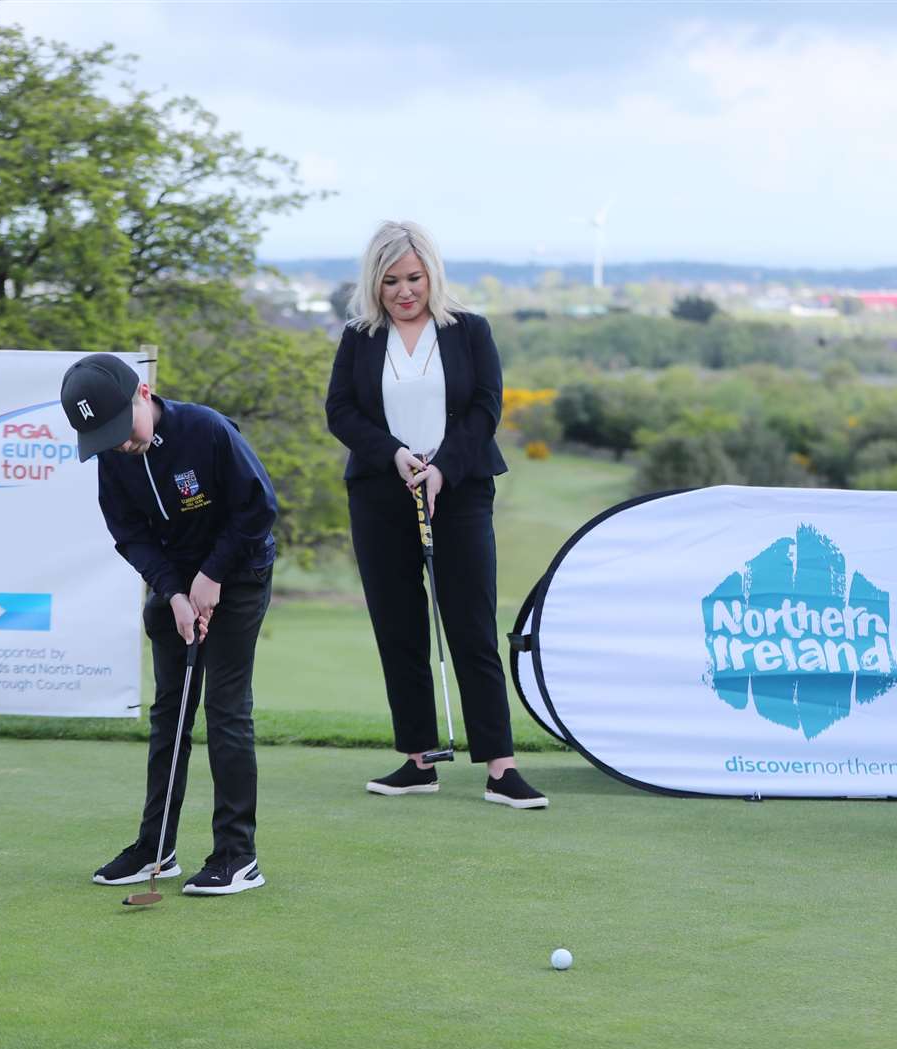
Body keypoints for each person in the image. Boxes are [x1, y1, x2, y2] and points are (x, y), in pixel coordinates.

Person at [326, 221, 547, 809]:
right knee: (399, 629)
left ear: (433, 275)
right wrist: (395, 456)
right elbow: (342, 412)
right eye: (392, 280)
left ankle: (501, 767)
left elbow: (485, 406)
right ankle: (418, 759)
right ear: (375, 283)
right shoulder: (359, 337)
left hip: (461, 490)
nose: (404, 291)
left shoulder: (468, 330)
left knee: (471, 626)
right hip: (380, 493)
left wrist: (444, 467)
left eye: (415, 278)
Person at [60, 352, 279, 893]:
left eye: (119, 428)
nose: (119, 443)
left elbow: (257, 507)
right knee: (170, 714)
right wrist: (176, 593)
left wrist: (212, 575)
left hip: (241, 575)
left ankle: (237, 855)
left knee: (225, 711)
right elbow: (128, 534)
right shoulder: (114, 456)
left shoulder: (204, 429)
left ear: (144, 394)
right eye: (104, 437)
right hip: (176, 587)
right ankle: (155, 848)